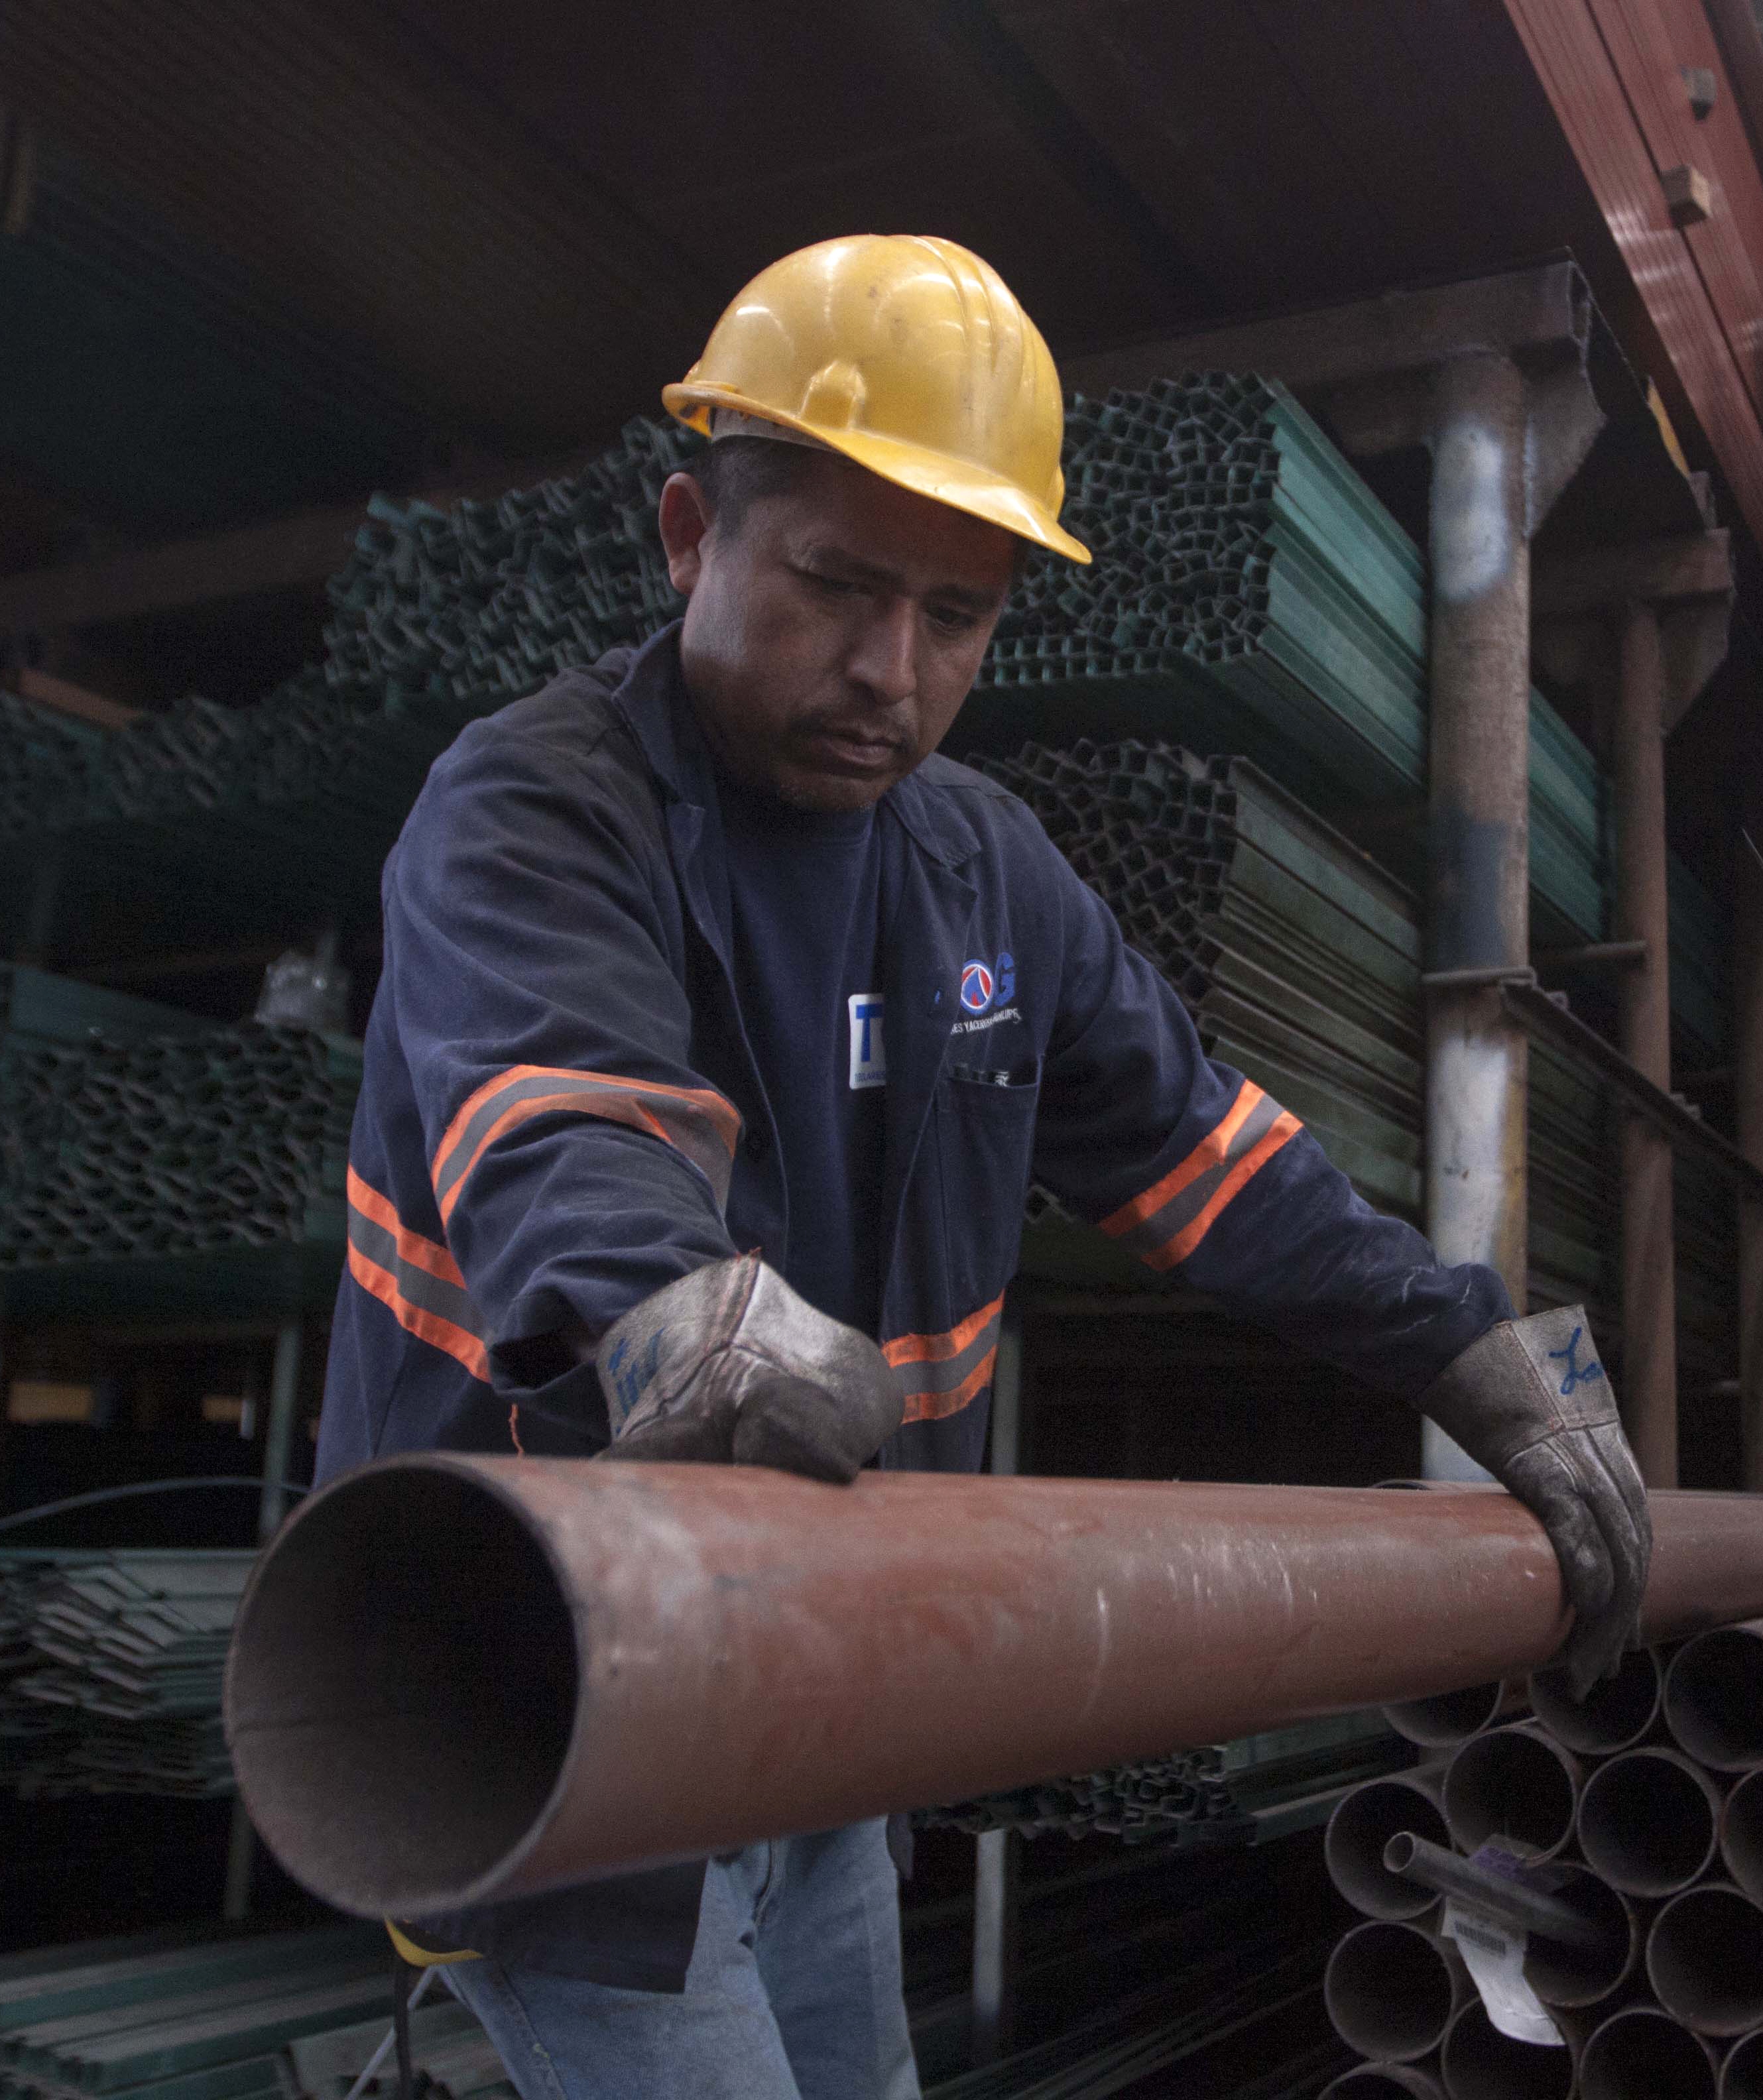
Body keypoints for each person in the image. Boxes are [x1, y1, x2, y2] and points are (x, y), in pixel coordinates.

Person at [314, 233, 1652, 2099]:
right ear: (694, 533)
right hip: (552, 1707)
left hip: (815, 1701)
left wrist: (1470, 1346)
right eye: (839, 584)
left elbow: (1209, 1160)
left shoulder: (979, 871)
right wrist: (672, 1309)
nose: (892, 669)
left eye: (958, 617)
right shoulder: (536, 811)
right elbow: (572, 1131)